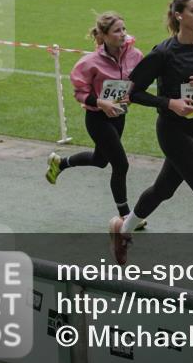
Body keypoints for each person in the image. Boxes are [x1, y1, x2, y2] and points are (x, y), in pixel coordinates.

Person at [109, 0, 193, 291]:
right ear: (178, 15)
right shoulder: (164, 53)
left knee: (163, 190)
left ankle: (123, 228)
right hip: (172, 131)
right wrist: (170, 103)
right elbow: (133, 92)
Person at [45, 12, 143, 223]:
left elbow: (139, 81)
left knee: (100, 160)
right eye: (117, 30)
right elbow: (79, 93)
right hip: (98, 119)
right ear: (104, 36)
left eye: (124, 29)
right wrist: (101, 103)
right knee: (121, 165)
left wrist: (132, 95)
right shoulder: (89, 63)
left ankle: (60, 163)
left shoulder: (135, 55)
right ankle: (126, 215)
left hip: (119, 116)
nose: (123, 34)